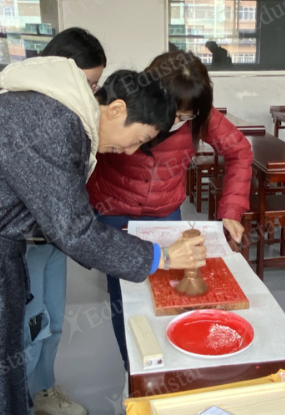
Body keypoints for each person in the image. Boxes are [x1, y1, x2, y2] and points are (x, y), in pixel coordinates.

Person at [0, 44, 208, 413]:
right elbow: (74, 230)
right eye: (138, 139)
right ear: (116, 109)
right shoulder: (53, 123)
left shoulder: (57, 115)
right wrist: (160, 256)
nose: (129, 152)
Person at [87, 50, 253, 371]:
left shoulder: (200, 116)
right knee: (126, 297)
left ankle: (170, 366)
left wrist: (231, 210)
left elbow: (239, 151)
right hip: (113, 210)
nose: (174, 122)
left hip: (164, 214)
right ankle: (134, 370)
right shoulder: (123, 104)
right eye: (172, 113)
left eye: (184, 116)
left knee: (171, 290)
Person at [19, 28, 107, 415]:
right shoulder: (29, 115)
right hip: (25, 244)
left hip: (52, 242)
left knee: (53, 320)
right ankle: (20, 401)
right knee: (30, 326)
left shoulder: (75, 118)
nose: (91, 93)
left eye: (97, 85)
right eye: (88, 83)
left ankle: (43, 390)